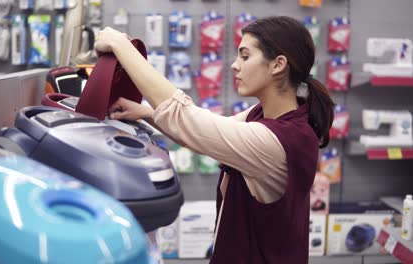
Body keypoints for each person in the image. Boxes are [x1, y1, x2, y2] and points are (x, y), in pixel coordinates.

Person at [95, 16, 334, 264]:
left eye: (245, 56)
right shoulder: (266, 117)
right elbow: (203, 133)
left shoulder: (277, 141)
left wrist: (121, 46)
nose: (234, 65)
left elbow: (189, 121)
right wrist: (147, 113)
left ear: (278, 65)